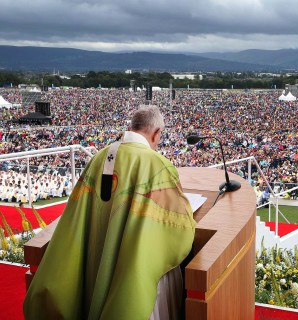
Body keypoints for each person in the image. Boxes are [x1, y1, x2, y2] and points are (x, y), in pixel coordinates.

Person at [24, 106, 196, 320]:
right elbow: (180, 225)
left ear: (130, 127)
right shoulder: (158, 164)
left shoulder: (99, 157)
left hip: (96, 256)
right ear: (156, 133)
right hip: (134, 264)